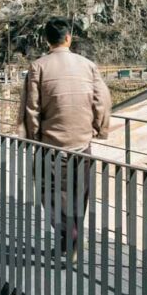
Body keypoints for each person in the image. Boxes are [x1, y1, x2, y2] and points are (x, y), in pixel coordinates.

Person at [24, 17, 112, 261]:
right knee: (78, 194)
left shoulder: (38, 67)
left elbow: (32, 107)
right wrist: (99, 128)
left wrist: (34, 137)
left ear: (46, 40)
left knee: (49, 192)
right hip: (82, 143)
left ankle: (70, 236)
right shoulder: (88, 65)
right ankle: (71, 239)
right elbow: (102, 100)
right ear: (68, 38)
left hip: (51, 144)